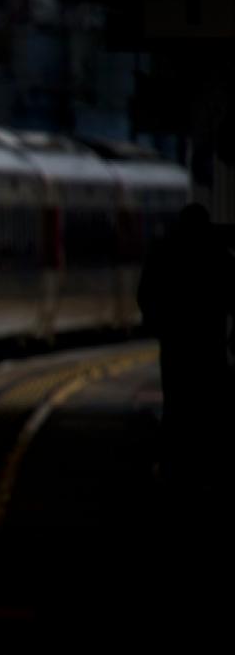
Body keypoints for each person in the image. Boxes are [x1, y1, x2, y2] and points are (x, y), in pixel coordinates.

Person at [137, 202, 235, 486]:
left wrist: (158, 325)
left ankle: (173, 465)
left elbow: (145, 296)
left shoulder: (164, 254)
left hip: (175, 346)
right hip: (209, 345)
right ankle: (203, 465)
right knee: (208, 407)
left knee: (176, 404)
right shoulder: (217, 257)